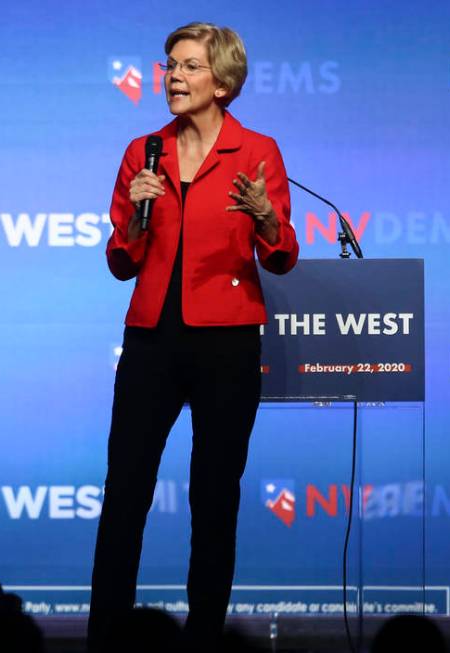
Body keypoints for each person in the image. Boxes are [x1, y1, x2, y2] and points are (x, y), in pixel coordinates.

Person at [87, 22, 299, 651]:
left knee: (215, 494)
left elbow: (283, 258)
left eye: (188, 66)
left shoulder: (257, 151)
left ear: (224, 82)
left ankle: (204, 637)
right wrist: (134, 213)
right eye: (168, 66)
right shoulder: (141, 152)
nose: (172, 77)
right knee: (124, 491)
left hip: (227, 344)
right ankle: (106, 637)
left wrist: (265, 218)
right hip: (151, 341)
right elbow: (120, 261)